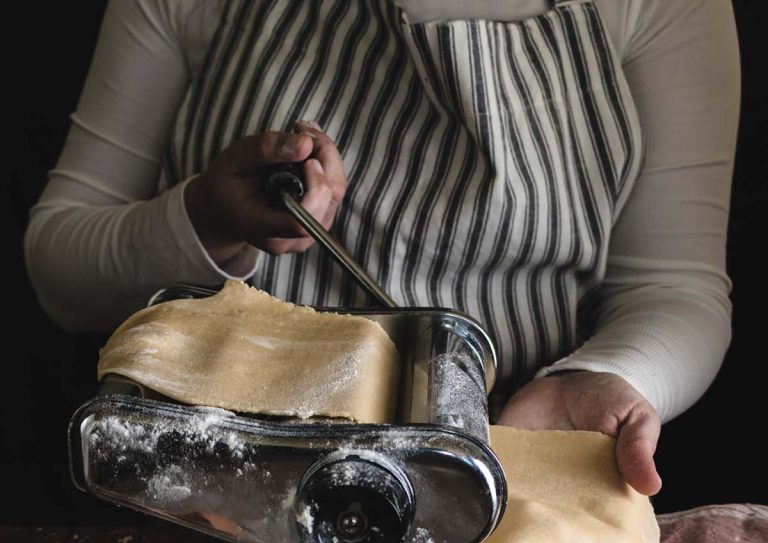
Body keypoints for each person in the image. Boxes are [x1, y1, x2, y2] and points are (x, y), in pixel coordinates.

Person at [24, 0, 740, 498]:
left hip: (505, 482)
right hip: (214, 500)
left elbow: (674, 287)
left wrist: (612, 375)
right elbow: (58, 274)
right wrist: (206, 221)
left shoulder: (660, 7)